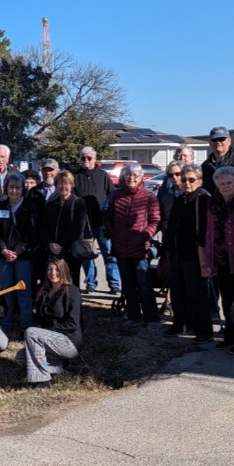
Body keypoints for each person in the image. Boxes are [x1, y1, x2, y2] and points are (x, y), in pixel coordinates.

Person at [202, 165, 234, 353]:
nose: (226, 186)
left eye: (229, 183)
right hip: (222, 259)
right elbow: (209, 233)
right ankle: (230, 337)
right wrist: (208, 261)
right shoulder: (214, 205)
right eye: (222, 183)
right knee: (226, 301)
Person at [105, 163, 160, 328]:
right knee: (127, 284)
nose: (132, 178)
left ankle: (151, 318)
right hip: (120, 246)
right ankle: (133, 315)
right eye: (128, 175)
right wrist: (111, 232)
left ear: (141, 178)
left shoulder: (149, 197)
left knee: (143, 283)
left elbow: (155, 220)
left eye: (135, 176)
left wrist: (146, 235)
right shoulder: (115, 195)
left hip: (140, 247)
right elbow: (107, 217)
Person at [162, 164, 212, 345]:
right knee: (177, 292)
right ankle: (180, 324)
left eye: (191, 180)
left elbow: (207, 230)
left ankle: (204, 331)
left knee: (196, 294)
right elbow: (171, 226)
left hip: (195, 255)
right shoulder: (180, 199)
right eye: (184, 180)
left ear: (200, 181)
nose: (187, 183)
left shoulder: (204, 199)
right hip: (177, 253)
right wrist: (167, 251)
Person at [18, 259, 82, 384]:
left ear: (64, 271)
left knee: (32, 333)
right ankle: (59, 366)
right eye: (50, 269)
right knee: (21, 357)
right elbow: (38, 320)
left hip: (69, 341)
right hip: (48, 340)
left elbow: (72, 323)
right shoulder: (44, 292)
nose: (53, 273)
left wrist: (43, 332)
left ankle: (42, 380)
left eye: (57, 269)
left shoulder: (71, 291)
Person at [0, 173, 38, 334]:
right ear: (6, 188)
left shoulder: (29, 207)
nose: (14, 191)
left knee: (24, 292)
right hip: (3, 257)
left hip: (23, 258)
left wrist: (17, 251)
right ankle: (6, 323)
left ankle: (26, 325)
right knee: (6, 291)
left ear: (22, 189)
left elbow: (32, 234)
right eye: (11, 187)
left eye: (18, 188)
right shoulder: (0, 206)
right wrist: (3, 249)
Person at [73, 146, 120, 294]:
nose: (86, 161)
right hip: (83, 224)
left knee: (109, 254)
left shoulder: (103, 175)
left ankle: (114, 283)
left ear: (95, 159)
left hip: (101, 223)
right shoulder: (75, 176)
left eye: (89, 158)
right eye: (83, 158)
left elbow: (111, 195)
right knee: (87, 255)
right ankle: (91, 283)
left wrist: (107, 213)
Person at [40, 170, 89, 287]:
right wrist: (50, 243)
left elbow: (78, 228)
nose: (63, 186)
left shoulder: (78, 202)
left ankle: (72, 305)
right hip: (53, 251)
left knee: (71, 283)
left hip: (70, 251)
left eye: (66, 183)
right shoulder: (51, 204)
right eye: (60, 183)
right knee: (54, 282)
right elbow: (43, 226)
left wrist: (61, 243)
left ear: (71, 185)